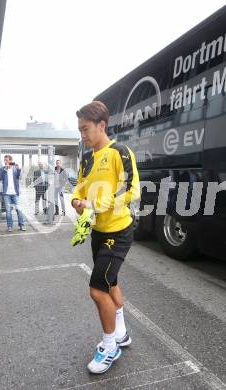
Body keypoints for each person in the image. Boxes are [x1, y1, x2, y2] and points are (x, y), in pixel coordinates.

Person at [71, 101, 140, 374]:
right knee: (110, 282)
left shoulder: (119, 152)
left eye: (86, 129)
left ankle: (110, 346)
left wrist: (97, 205)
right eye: (79, 130)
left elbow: (132, 191)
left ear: (102, 125)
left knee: (97, 289)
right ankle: (121, 334)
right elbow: (79, 190)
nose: (82, 136)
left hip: (119, 232)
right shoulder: (87, 158)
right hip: (98, 233)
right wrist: (78, 202)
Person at [0, 155, 26, 232]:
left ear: (11, 161)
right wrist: (5, 170)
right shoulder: (2, 169)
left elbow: (19, 177)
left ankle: (22, 224)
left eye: (7, 160)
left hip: (15, 193)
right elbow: (0, 178)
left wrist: (19, 170)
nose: (5, 162)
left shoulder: (15, 168)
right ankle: (10, 226)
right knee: (8, 211)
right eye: (4, 160)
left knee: (19, 210)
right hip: (6, 194)